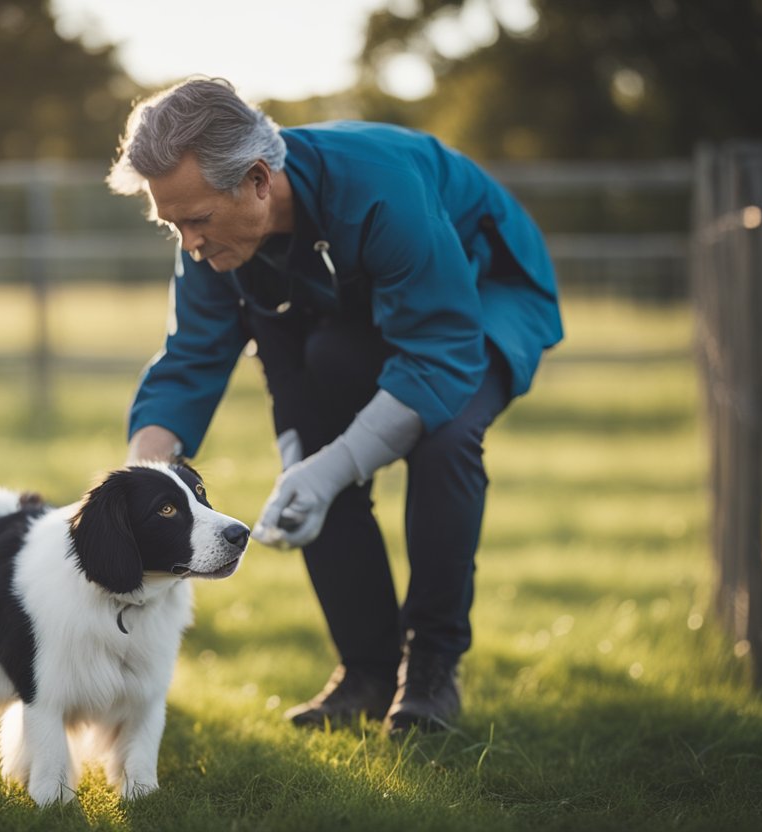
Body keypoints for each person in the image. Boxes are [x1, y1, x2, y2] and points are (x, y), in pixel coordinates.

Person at [109, 78, 563, 735]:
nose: (189, 244)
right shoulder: (211, 238)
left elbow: (439, 353)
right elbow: (192, 357)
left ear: (259, 181)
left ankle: (431, 670)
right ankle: (367, 671)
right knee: (318, 430)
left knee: (445, 436)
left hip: (481, 293)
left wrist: (330, 468)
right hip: (356, 317)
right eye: (171, 224)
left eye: (198, 220)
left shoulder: (380, 185)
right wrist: (137, 485)